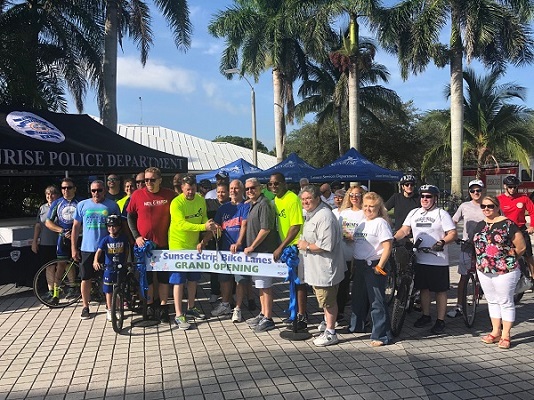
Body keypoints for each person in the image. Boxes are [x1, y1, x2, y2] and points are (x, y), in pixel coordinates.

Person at [394, 184, 457, 334]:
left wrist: (442, 242)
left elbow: (453, 233)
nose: (425, 199)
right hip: (420, 257)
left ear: (435, 198)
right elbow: (405, 229)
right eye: (422, 196)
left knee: (440, 290)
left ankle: (440, 320)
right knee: (424, 288)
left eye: (428, 196)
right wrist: (394, 238)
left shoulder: (441, 214)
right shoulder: (414, 213)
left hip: (438, 259)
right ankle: (426, 315)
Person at [473, 196, 526, 349]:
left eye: (490, 206)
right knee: (492, 300)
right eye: (483, 206)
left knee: (505, 301)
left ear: (497, 207)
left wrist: (508, 259)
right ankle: (495, 331)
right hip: (484, 269)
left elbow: (521, 246)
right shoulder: (480, 224)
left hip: (505, 270)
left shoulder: (508, 224)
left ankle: (506, 334)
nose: (486, 209)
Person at [297, 185, 345, 346]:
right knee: (325, 301)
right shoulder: (312, 214)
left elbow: (326, 245)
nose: (305, 202)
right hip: (316, 268)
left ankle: (331, 333)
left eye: (309, 198)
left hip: (325, 268)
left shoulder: (324, 216)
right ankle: (327, 323)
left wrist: (306, 246)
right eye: (303, 199)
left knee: (328, 301)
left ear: (318, 198)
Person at [127, 167, 176, 321]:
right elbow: (130, 217)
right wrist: (136, 236)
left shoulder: (170, 195)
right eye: (146, 180)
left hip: (163, 244)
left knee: (163, 278)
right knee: (146, 278)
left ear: (160, 180)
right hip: (145, 245)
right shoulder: (137, 195)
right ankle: (149, 305)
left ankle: (163, 307)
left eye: (152, 180)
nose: (148, 183)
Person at [169, 174, 217, 329]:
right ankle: (178, 315)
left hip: (194, 246)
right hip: (178, 246)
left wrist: (210, 224)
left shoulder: (200, 200)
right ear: (182, 188)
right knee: (179, 281)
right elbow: (181, 224)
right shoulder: (176, 203)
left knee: (193, 279)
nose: (190, 192)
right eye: (188, 189)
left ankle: (191, 308)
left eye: (193, 189)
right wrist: (203, 227)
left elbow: (203, 218)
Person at [200, 179, 250, 322]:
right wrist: (203, 242)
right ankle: (225, 304)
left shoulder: (246, 206)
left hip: (240, 251)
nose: (233, 191)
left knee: (240, 280)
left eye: (236, 188)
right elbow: (214, 227)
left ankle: (238, 308)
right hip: (225, 250)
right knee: (224, 279)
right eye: (231, 188)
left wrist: (238, 242)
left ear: (242, 190)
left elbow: (244, 226)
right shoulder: (223, 208)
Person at [71, 180, 120, 320]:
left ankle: (110, 307)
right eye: (93, 190)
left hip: (107, 248)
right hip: (87, 248)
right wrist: (73, 248)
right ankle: (85, 307)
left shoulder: (112, 205)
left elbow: (119, 225)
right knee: (86, 278)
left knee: (109, 279)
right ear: (90, 191)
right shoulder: (82, 205)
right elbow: (76, 227)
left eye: (99, 190)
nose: (96, 193)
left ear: (104, 190)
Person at [350, 192, 393, 346]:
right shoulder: (362, 222)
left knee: (377, 301)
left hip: (374, 265)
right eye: (366, 206)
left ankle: (382, 335)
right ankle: (357, 326)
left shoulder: (380, 223)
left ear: (378, 208)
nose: (368, 209)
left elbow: (387, 247)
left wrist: (380, 266)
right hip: (360, 265)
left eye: (372, 207)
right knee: (358, 298)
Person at [244, 177, 280, 332]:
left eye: (253, 188)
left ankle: (268, 318)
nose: (250, 191)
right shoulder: (254, 204)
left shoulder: (264, 204)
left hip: (263, 252)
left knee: (266, 287)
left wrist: (252, 246)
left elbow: (265, 229)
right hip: (256, 253)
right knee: (260, 285)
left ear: (260, 188)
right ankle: (263, 313)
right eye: (247, 189)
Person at [269, 173, 304, 329]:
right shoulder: (276, 200)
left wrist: (281, 247)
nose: (273, 186)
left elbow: (295, 226)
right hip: (286, 245)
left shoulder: (292, 199)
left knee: (299, 282)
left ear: (284, 183)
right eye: (271, 184)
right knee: (292, 282)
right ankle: (294, 314)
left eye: (276, 183)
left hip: (295, 246)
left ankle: (301, 316)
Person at [447, 179, 485, 318]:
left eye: (478, 190)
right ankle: (459, 306)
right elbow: (453, 221)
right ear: (469, 192)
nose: (476, 193)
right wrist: (453, 234)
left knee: (486, 276)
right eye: (472, 190)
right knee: (464, 277)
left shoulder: (488, 205)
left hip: (485, 247)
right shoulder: (464, 206)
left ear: (483, 191)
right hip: (467, 245)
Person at [45, 178, 82, 301]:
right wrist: (62, 231)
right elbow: (48, 222)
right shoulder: (57, 203)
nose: (66, 190)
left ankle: (87, 289)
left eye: (69, 187)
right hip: (63, 239)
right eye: (63, 188)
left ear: (74, 189)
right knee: (61, 266)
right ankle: (56, 294)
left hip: (80, 237)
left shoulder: (81, 202)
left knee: (84, 264)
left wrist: (77, 230)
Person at [336, 184, 366, 321]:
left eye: (357, 195)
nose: (354, 197)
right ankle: (339, 312)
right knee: (342, 285)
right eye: (351, 195)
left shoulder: (365, 213)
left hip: (360, 255)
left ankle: (360, 315)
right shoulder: (344, 213)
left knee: (358, 287)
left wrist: (355, 237)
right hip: (344, 254)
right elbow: (338, 230)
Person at [93, 215, 129, 322]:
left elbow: (126, 250)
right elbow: (99, 251)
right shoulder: (105, 240)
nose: (111, 229)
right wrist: (96, 261)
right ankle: (109, 309)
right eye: (109, 226)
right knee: (108, 290)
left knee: (119, 288)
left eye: (114, 226)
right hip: (109, 268)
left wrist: (126, 261)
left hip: (120, 267)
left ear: (119, 227)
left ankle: (117, 309)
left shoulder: (123, 238)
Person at [497, 175, 534, 276]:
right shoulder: (499, 199)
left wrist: (532, 226)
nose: (512, 189)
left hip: (521, 230)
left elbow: (532, 211)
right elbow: (493, 214)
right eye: (510, 187)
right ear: (505, 186)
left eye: (515, 187)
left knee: (528, 255)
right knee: (504, 254)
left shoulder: (524, 198)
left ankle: (533, 276)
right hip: (505, 231)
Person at [32, 185, 60, 300]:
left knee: (62, 266)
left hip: (59, 241)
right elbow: (38, 225)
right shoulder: (42, 208)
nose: (50, 196)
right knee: (49, 267)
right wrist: (35, 241)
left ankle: (64, 288)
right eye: (48, 194)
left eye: (52, 194)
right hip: (46, 242)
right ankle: (51, 290)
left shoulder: (60, 206)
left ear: (57, 195)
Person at [205, 182, 230, 304]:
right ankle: (215, 292)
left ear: (228, 193)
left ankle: (231, 293)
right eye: (218, 192)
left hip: (228, 240)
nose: (221, 194)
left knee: (229, 268)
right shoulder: (210, 203)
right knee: (214, 268)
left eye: (223, 192)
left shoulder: (232, 204)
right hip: (213, 241)